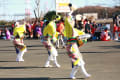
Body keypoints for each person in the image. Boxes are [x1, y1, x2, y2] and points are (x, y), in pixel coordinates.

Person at [64, 3, 91, 79]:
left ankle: (84, 74)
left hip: (74, 47)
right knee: (77, 63)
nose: (72, 21)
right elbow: (67, 19)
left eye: (73, 19)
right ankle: (72, 75)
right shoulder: (68, 28)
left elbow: (83, 35)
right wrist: (71, 11)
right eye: (71, 19)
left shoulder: (74, 29)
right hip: (71, 47)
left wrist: (85, 36)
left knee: (81, 62)